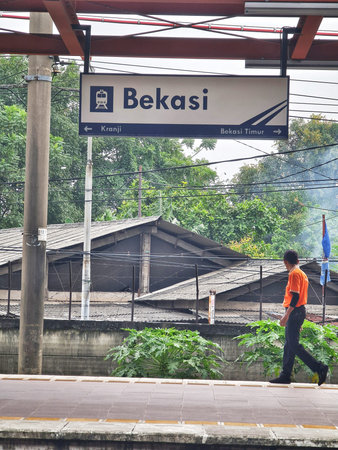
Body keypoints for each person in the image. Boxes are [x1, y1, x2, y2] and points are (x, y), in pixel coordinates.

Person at [269, 250, 328, 385]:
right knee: (289, 345)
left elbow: (295, 296)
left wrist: (286, 316)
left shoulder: (294, 274)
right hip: (298, 312)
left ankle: (319, 367)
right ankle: (285, 375)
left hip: (294, 312)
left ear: (286, 262)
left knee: (293, 345)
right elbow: (299, 297)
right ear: (298, 261)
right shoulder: (302, 274)